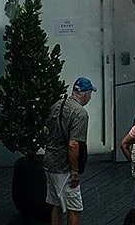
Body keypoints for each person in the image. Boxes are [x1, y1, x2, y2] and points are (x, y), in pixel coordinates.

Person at [44, 76, 97, 225]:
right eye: (90, 93)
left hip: (50, 162)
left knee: (56, 203)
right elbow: (73, 144)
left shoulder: (57, 105)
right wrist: (74, 171)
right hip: (64, 167)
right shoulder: (80, 113)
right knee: (75, 207)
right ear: (85, 94)